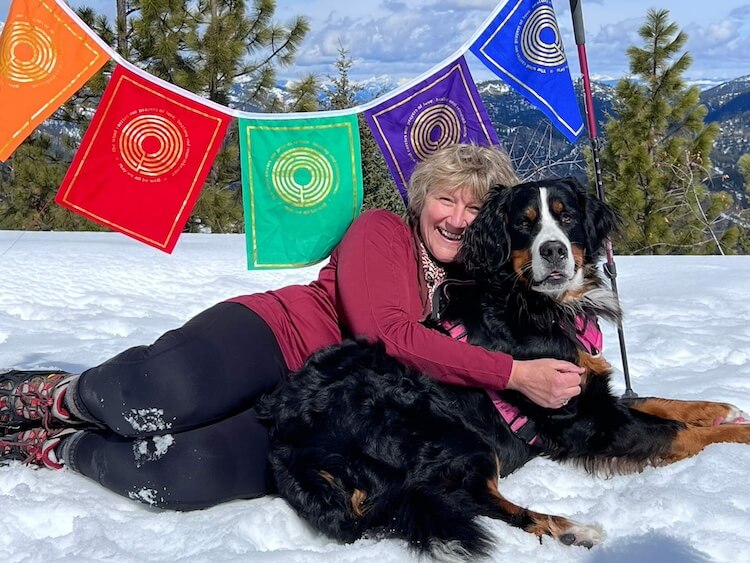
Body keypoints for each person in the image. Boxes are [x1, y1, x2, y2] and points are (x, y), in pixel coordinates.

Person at [0, 143, 584, 510]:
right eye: (445, 199)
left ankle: (60, 448)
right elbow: (390, 337)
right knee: (152, 397)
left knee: (183, 472)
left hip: (326, 414)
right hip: (272, 339)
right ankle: (53, 396)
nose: (457, 219)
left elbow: (544, 317)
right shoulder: (382, 231)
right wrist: (515, 374)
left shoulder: (480, 286)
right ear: (420, 199)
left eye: (476, 208)